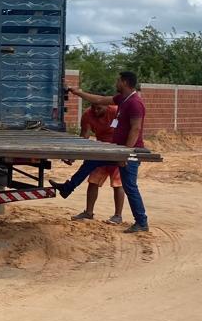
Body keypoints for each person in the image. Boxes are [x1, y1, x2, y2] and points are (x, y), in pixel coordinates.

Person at [50, 71, 149, 233]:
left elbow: (136, 128)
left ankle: (141, 222)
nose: (116, 83)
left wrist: (126, 153)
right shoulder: (122, 100)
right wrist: (78, 92)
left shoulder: (135, 103)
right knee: (91, 162)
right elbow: (99, 99)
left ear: (124, 82)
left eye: (118, 80)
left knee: (129, 186)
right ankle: (67, 188)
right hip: (116, 150)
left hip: (127, 151)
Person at [70, 101, 125, 224]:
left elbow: (127, 129)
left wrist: (124, 151)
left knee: (117, 184)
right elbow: (85, 135)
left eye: (99, 108)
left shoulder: (116, 112)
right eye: (94, 108)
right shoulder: (88, 115)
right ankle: (88, 212)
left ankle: (118, 215)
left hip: (117, 150)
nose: (96, 111)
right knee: (93, 181)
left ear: (107, 105)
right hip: (100, 152)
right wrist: (75, 153)